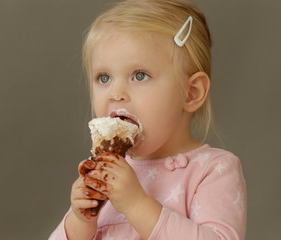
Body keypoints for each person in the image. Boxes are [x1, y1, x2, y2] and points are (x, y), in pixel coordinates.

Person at [49, 0, 247, 239]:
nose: (115, 93)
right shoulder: (106, 173)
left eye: (139, 75)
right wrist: (79, 221)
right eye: (104, 78)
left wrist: (136, 205)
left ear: (191, 92)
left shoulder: (212, 170)